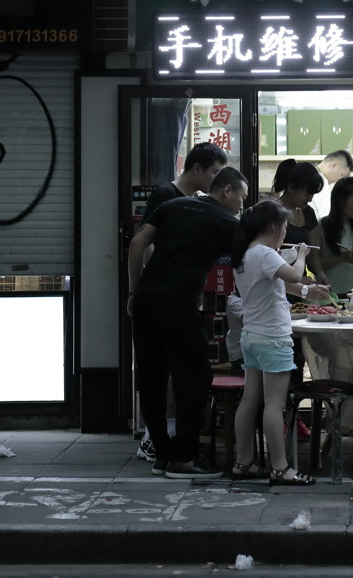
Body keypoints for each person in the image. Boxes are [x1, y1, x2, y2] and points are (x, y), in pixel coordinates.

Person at [127, 166, 248, 479]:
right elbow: (252, 259)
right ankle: (183, 458)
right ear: (227, 191)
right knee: (194, 378)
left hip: (145, 300)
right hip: (179, 304)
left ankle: (162, 456)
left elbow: (138, 244)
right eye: (241, 198)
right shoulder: (225, 221)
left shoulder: (172, 205)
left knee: (151, 379)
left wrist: (133, 291)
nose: (241, 205)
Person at [135, 141, 227, 464]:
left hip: (160, 296)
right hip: (168, 298)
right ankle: (164, 447)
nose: (217, 179)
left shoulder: (193, 202)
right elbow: (143, 245)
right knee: (174, 376)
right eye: (215, 172)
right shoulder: (167, 197)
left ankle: (164, 449)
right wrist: (145, 283)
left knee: (160, 376)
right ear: (197, 168)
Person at [231, 200, 330, 485]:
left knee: (250, 401)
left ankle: (243, 463)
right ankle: (280, 468)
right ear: (274, 227)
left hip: (252, 337)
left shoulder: (247, 255)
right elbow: (295, 274)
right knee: (274, 405)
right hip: (273, 337)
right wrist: (300, 254)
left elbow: (283, 284)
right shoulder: (265, 253)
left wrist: (310, 291)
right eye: (286, 226)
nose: (286, 231)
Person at [271, 158, 326, 441]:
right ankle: (280, 417)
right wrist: (301, 282)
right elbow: (269, 261)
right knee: (286, 358)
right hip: (281, 291)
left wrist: (319, 276)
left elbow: (313, 251)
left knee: (300, 356)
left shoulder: (306, 213)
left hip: (300, 288)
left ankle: (291, 417)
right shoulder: (272, 213)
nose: (308, 200)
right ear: (291, 187)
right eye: (306, 193)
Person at [310, 149, 353, 220]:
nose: (339, 180)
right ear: (334, 165)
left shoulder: (307, 175)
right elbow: (326, 218)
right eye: (341, 175)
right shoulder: (321, 184)